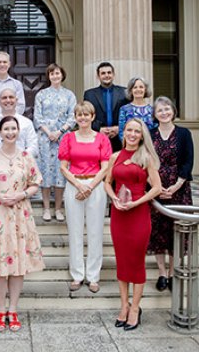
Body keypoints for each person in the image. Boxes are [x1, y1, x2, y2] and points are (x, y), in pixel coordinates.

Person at [0, 116, 44, 332]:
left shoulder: (26, 157)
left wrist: (22, 194)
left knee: (17, 264)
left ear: (18, 131)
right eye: (6, 129)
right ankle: (0, 309)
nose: (10, 132)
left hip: (20, 214)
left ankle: (13, 309)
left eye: (14, 129)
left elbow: (35, 183)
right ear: (0, 132)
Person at [104, 118, 161, 331]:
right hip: (119, 215)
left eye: (137, 131)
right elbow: (108, 183)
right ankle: (123, 305)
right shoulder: (115, 156)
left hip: (138, 214)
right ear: (123, 132)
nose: (133, 134)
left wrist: (136, 202)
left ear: (141, 135)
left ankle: (135, 307)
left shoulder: (146, 157)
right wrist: (114, 199)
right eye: (129, 130)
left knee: (136, 262)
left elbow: (156, 188)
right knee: (122, 261)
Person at [59, 101, 112, 293]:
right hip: (75, 185)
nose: (82, 118)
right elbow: (63, 167)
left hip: (95, 186)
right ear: (75, 117)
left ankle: (93, 276)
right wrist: (79, 185)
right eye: (79, 115)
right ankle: (77, 275)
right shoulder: (68, 138)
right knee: (74, 231)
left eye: (86, 114)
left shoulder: (102, 139)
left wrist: (90, 186)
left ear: (92, 116)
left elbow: (106, 167)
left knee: (95, 231)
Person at [147, 96, 194, 292]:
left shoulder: (184, 133)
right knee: (158, 232)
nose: (164, 113)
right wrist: (155, 186)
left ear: (173, 111)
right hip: (156, 188)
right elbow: (145, 161)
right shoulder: (149, 134)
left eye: (167, 109)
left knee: (176, 231)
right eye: (160, 110)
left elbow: (188, 161)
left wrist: (176, 186)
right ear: (155, 115)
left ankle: (174, 273)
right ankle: (162, 273)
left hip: (179, 188)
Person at [33, 63, 76, 222]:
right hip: (45, 138)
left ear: (62, 75)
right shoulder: (41, 94)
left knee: (60, 172)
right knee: (45, 172)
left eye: (57, 73)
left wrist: (60, 131)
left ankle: (58, 208)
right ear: (48, 76)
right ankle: (46, 208)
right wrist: (48, 132)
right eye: (52, 74)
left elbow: (72, 117)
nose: (55, 76)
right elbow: (37, 116)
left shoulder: (69, 95)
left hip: (63, 137)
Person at [0, 87, 38, 157]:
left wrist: (20, 157)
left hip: (20, 164)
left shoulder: (27, 123)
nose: (8, 100)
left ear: (16, 100)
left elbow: (34, 147)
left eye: (11, 97)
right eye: (4, 98)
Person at [83, 62, 128, 151]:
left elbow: (129, 114)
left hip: (120, 138)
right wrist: (99, 129)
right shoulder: (89, 94)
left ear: (113, 74)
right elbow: (86, 115)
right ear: (98, 76)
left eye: (109, 72)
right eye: (103, 73)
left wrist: (120, 128)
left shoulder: (124, 92)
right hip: (97, 137)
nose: (106, 75)